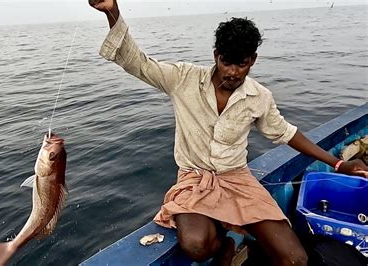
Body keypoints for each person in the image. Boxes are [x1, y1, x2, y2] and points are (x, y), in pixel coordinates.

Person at [89, 0, 368, 265]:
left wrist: (339, 163)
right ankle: (225, 246)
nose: (233, 72)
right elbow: (137, 62)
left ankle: (228, 228)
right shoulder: (183, 78)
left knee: (295, 259)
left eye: (242, 64)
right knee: (197, 246)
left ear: (253, 60)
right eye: (227, 62)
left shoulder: (259, 96)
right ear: (216, 56)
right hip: (194, 179)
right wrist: (112, 12)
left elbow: (286, 133)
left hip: (237, 179)